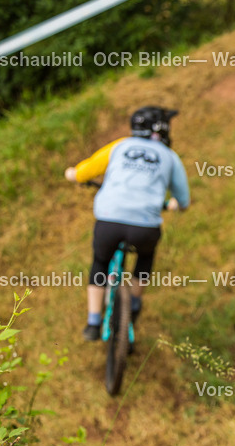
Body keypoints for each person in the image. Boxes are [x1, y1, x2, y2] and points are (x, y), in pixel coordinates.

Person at [64, 106, 190, 341]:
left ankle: (93, 321)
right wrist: (176, 205)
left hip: (109, 220)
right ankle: (133, 304)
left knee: (100, 262)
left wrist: (72, 174)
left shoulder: (120, 146)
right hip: (145, 227)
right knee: (145, 257)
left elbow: (85, 171)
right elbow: (184, 200)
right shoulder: (169, 156)